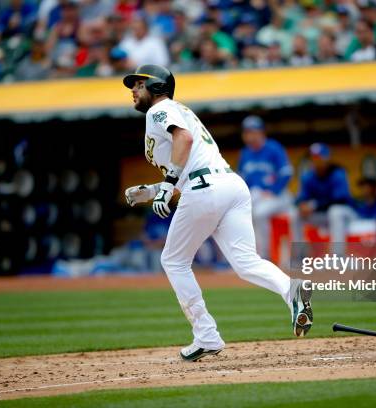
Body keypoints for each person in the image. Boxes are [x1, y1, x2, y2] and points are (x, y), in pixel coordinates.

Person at [122, 64, 312, 362]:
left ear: (157, 87)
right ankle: (292, 290)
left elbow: (183, 141)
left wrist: (168, 183)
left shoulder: (159, 110)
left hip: (206, 188)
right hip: (230, 184)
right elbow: (189, 168)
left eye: (139, 84)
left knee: (173, 260)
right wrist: (151, 190)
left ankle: (206, 335)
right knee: (246, 262)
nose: (133, 90)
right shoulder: (177, 110)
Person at [237, 115, 294, 259]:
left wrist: (273, 190)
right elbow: (241, 180)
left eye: (253, 131)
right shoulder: (245, 153)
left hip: (278, 196)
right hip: (257, 196)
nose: (249, 135)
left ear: (261, 132)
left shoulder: (274, 148)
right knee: (240, 212)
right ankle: (246, 255)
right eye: (246, 132)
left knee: (259, 213)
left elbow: (287, 173)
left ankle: (265, 257)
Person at [294, 143, 352, 241]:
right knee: (296, 215)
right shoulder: (308, 176)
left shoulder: (337, 173)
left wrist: (314, 206)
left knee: (335, 212)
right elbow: (301, 197)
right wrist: (301, 205)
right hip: (322, 215)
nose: (315, 161)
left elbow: (339, 200)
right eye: (313, 158)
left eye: (318, 157)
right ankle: (299, 254)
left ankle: (338, 255)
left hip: (345, 214)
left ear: (326, 158)